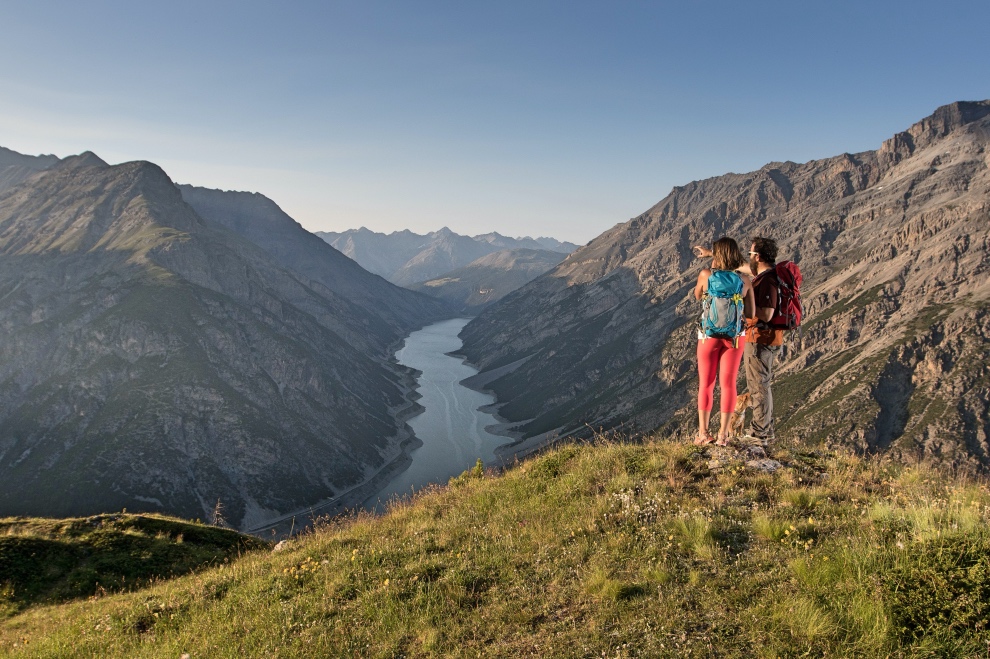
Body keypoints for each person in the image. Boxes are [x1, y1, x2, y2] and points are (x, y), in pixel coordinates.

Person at [691, 237, 755, 446]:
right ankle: (723, 436)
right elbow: (752, 312)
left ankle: (703, 433)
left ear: (716, 255)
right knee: (728, 384)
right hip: (735, 338)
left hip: (708, 337)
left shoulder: (706, 275)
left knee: (706, 384)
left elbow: (698, 296)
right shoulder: (745, 280)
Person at [743, 237, 783, 445]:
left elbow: (766, 314)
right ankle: (764, 429)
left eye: (750, 254)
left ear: (757, 257)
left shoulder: (768, 281)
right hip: (764, 338)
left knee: (758, 386)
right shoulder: (766, 275)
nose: (748, 258)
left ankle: (760, 433)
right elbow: (745, 268)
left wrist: (745, 307)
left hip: (761, 339)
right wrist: (715, 255)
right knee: (761, 385)